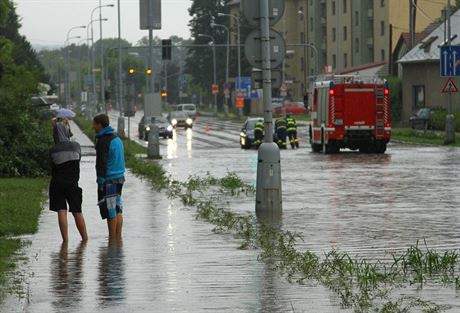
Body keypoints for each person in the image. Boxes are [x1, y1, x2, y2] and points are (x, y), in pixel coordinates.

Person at [49, 121, 88, 242]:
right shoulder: (76, 146)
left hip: (57, 183)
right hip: (73, 183)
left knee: (61, 211)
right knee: (77, 211)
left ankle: (65, 241)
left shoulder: (53, 150)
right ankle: (85, 239)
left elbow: (51, 165)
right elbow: (78, 160)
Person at [93, 114, 126, 240]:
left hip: (109, 180)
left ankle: (112, 240)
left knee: (111, 209)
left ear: (100, 124)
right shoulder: (117, 139)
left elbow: (101, 163)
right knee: (118, 208)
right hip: (120, 178)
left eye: (94, 124)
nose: (93, 127)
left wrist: (100, 182)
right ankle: (118, 238)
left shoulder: (103, 141)